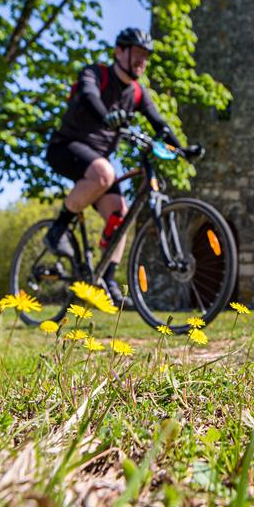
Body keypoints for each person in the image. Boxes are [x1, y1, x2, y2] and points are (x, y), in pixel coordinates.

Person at [45, 27, 200, 306]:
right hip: (66, 148)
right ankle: (57, 230)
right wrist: (107, 117)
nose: (142, 61)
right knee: (105, 173)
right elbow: (89, 96)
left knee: (121, 214)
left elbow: (159, 124)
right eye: (137, 53)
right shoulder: (95, 73)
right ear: (119, 52)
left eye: (146, 57)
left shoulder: (138, 93)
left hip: (97, 163)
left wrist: (182, 149)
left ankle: (107, 278)